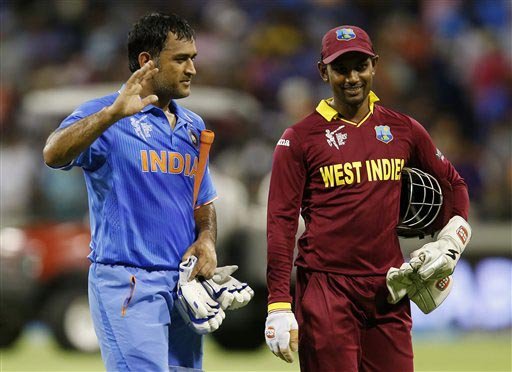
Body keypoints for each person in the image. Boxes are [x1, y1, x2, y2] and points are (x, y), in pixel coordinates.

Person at [264, 25, 471, 371]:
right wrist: (278, 303)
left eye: (360, 66)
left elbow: (454, 185)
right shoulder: (298, 139)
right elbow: (280, 224)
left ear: (374, 65)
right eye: (341, 69)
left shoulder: (404, 129)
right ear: (323, 71)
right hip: (325, 291)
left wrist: (452, 241)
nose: (352, 77)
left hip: (388, 289)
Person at [43, 12, 218, 371]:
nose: (192, 70)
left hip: (183, 286)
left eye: (193, 59)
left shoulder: (193, 126)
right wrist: (111, 116)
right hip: (128, 282)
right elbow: (53, 153)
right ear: (147, 61)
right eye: (181, 59)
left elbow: (202, 200)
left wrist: (207, 239)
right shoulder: (107, 114)